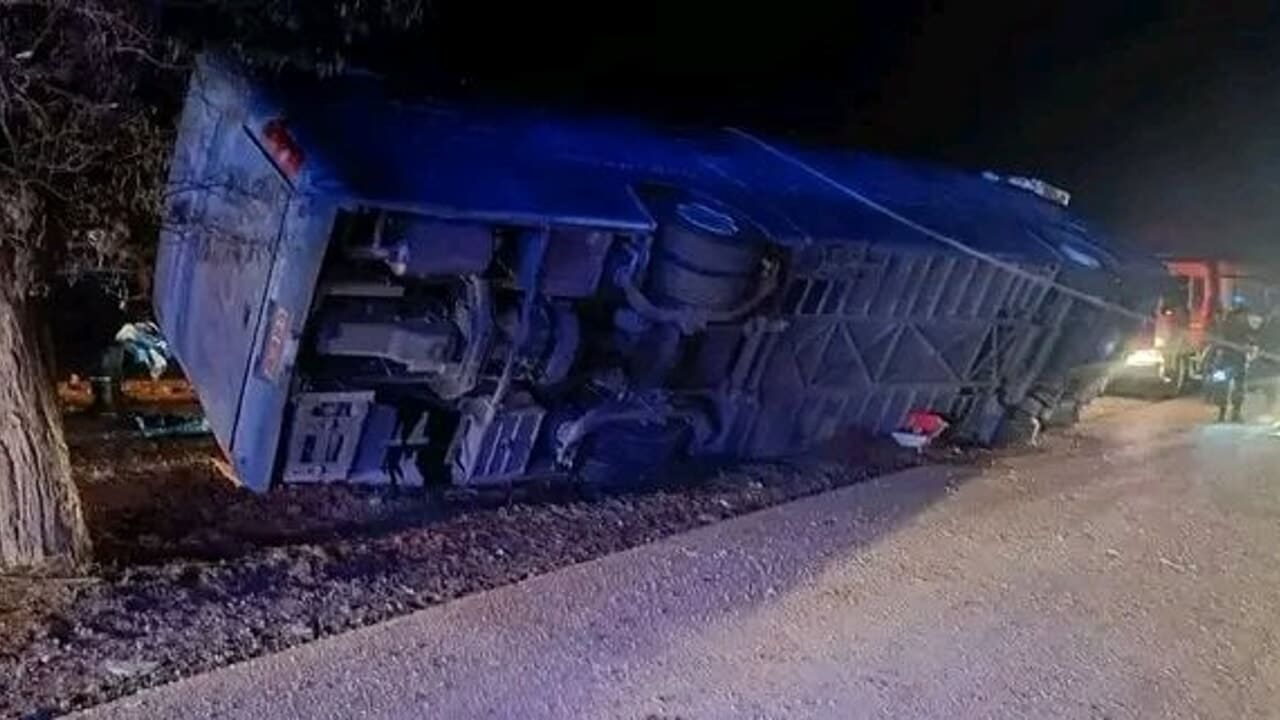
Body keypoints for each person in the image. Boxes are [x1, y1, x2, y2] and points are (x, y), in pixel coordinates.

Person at [1207, 304, 1255, 422]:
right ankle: (1235, 413)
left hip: (1224, 359)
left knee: (1222, 386)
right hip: (1237, 359)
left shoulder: (1224, 323)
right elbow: (1251, 338)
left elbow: (1216, 340)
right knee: (1238, 386)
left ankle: (1222, 414)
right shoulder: (1243, 324)